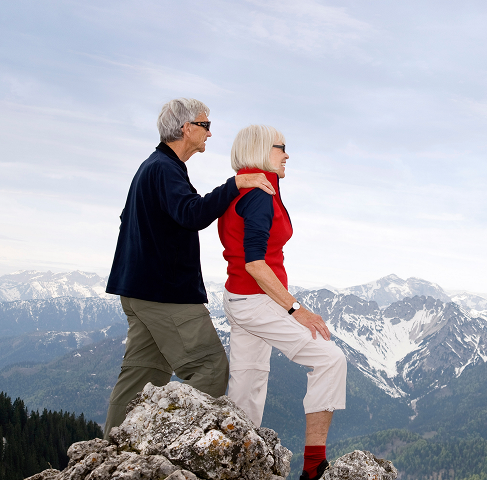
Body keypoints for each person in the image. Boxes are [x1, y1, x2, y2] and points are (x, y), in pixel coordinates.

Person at [103, 98, 275, 436]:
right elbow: (192, 213)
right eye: (205, 125)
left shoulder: (151, 168)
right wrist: (235, 184)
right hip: (166, 295)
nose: (210, 133)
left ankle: (114, 446)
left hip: (137, 290)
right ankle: (175, 444)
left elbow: (128, 221)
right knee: (210, 367)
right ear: (186, 129)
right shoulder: (164, 169)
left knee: (142, 373)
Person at [217, 124, 346, 480]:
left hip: (240, 297)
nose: (287, 154)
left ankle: (234, 464)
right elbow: (255, 263)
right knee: (330, 359)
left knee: (248, 385)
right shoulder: (259, 194)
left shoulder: (244, 187)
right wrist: (296, 309)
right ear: (260, 149)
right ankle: (313, 466)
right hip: (258, 300)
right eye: (281, 148)